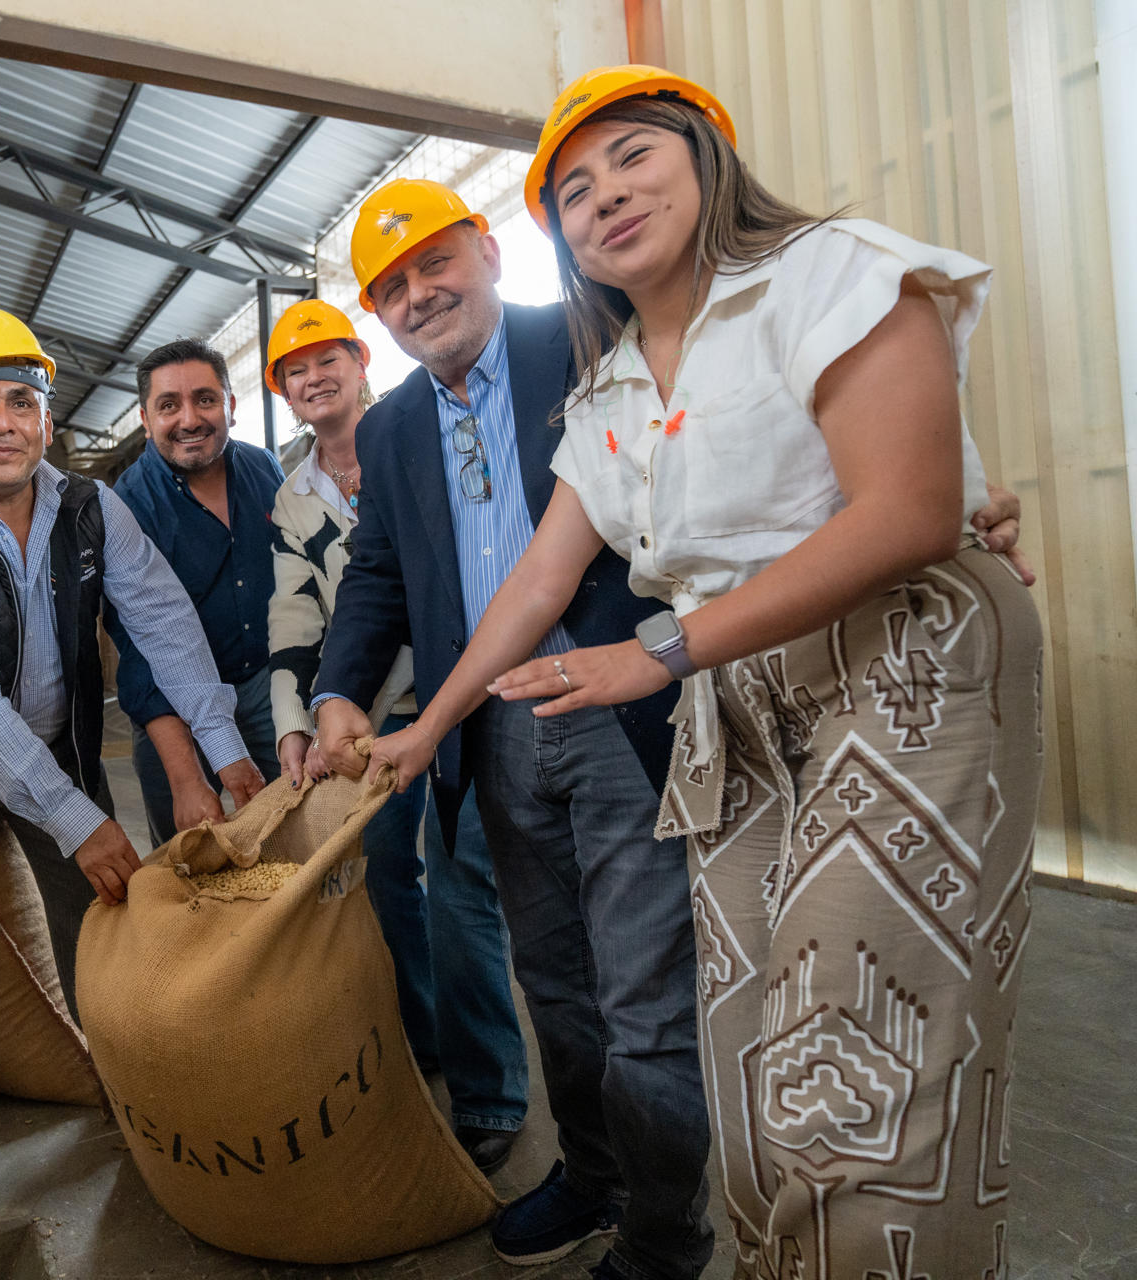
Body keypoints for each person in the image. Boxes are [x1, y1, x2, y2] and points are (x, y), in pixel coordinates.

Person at [368, 65, 1042, 1280]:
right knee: (747, 1048)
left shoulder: (828, 270)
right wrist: (430, 725)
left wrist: (658, 649)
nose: (608, 196)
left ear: (705, 154)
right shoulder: (611, 385)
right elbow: (532, 582)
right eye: (574, 190)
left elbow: (910, 509)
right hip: (731, 704)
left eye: (633, 156)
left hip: (888, 670)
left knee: (867, 1050)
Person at [311, 176, 715, 1280]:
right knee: (555, 986)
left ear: (487, 251)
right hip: (488, 733)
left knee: (642, 996)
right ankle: (594, 1172)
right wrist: (338, 688)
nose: (419, 294)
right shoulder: (391, 426)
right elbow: (381, 572)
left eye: (435, 262)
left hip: (620, 704)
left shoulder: (590, 336)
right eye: (391, 287)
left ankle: (669, 1233)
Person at [0, 298, 264, 1263]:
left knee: (105, 926)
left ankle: (139, 1094)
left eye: (18, 401)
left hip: (59, 750)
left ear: (47, 417)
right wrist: (78, 819)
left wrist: (227, 751)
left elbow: (162, 619)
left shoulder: (92, 506)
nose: (0, 421)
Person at [264, 297, 529, 1171]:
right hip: (362, 722)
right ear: (283, 392)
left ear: (361, 360)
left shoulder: (421, 430)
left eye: (328, 357)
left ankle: (489, 1091)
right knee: (384, 886)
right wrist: (297, 721)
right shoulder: (293, 498)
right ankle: (425, 1046)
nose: (314, 376)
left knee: (462, 891)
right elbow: (295, 617)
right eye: (295, 370)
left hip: (456, 694)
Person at [108, 338, 284, 845]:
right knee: (193, 864)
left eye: (205, 399)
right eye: (169, 405)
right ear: (146, 418)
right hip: (174, 715)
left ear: (230, 404)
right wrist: (186, 777)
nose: (190, 418)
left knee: (289, 848)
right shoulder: (127, 508)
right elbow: (141, 646)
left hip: (269, 692)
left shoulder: (263, 468)